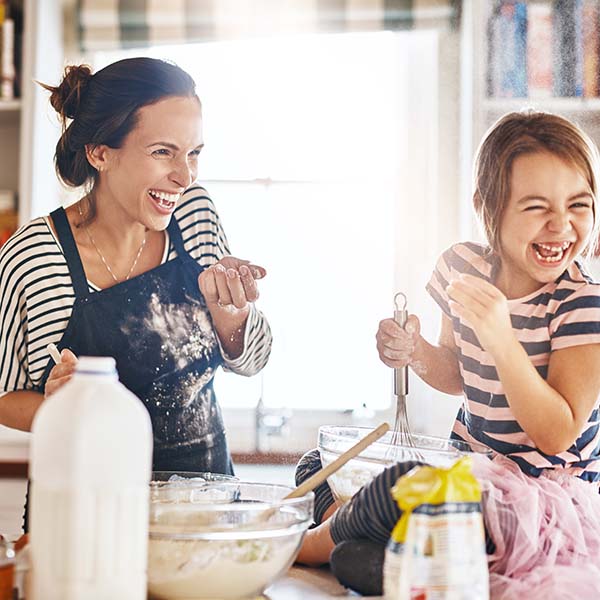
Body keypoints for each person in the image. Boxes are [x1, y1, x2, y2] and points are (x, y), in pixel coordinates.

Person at [296, 111, 600, 598]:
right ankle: (363, 534)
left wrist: (501, 336)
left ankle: (311, 542)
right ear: (488, 207)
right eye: (536, 207)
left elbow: (556, 432)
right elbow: (458, 373)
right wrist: (414, 350)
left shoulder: (582, 303)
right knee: (320, 464)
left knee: (395, 489)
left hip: (539, 507)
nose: (561, 226)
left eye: (578, 205)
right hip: (468, 474)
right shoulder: (460, 268)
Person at [0, 57, 272, 529]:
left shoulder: (196, 218)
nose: (185, 177)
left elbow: (252, 361)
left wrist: (232, 317)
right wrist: (61, 406)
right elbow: (5, 396)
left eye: (194, 153)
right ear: (100, 153)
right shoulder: (36, 254)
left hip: (200, 513)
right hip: (81, 518)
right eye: (164, 152)